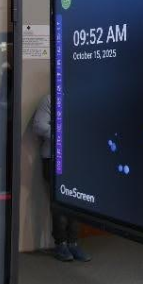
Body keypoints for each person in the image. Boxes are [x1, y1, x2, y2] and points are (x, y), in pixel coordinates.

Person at [31, 93, 90, 262]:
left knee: (77, 201)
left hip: (76, 158)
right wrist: (63, 132)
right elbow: (38, 126)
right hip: (54, 157)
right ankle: (61, 244)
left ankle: (73, 243)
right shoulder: (50, 99)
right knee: (60, 202)